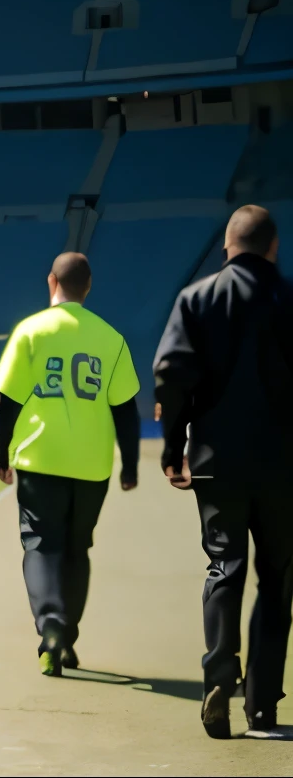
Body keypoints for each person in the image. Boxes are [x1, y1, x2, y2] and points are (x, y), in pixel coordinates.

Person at [152, 204, 293, 740]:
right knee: (278, 580)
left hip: (217, 461)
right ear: (273, 248)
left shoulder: (198, 298)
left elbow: (171, 374)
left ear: (228, 247)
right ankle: (263, 703)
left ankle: (218, 677)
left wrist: (173, 447)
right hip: (284, 465)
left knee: (224, 565)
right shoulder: (290, 296)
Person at [0, 252, 140, 677]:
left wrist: (3, 456)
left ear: (51, 281)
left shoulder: (31, 331)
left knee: (40, 545)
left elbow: (10, 401)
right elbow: (126, 409)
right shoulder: (111, 338)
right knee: (78, 549)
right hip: (92, 465)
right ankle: (67, 637)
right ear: (88, 288)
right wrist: (129, 465)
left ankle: (51, 627)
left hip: (41, 459)